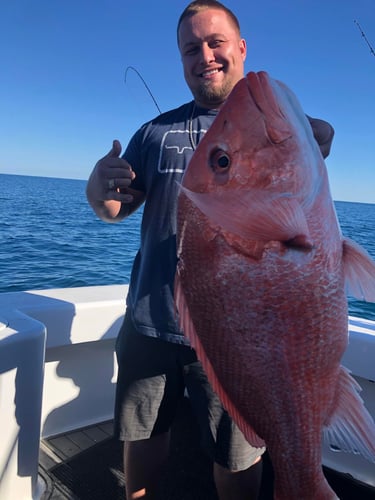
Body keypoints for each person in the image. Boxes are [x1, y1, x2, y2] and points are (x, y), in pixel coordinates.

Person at [86, 2, 335, 499]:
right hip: (151, 322)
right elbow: (113, 209)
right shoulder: (154, 133)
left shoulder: (275, 116)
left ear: (240, 47)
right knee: (142, 436)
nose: (205, 55)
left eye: (215, 42)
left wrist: (306, 132)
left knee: (237, 455)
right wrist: (98, 185)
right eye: (190, 48)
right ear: (181, 61)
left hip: (234, 334)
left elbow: (320, 136)